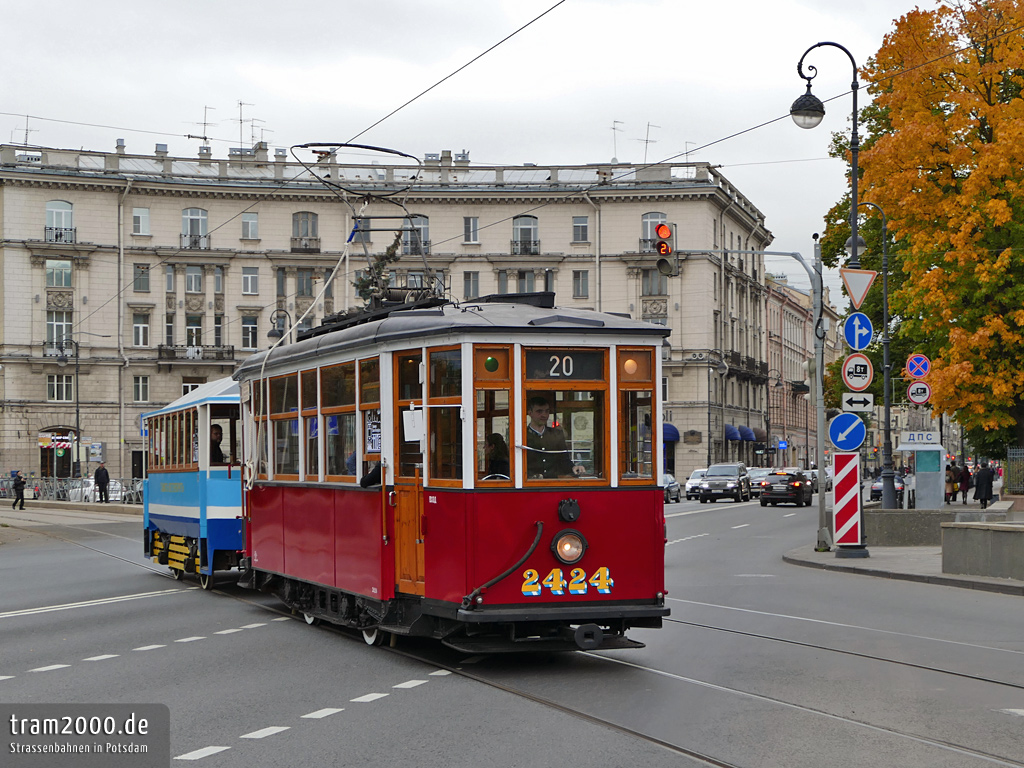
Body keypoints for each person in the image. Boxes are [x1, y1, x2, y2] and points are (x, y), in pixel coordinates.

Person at [525, 396, 582, 478]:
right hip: (529, 486)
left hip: (552, 484)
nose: (544, 415)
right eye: (539, 411)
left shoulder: (557, 434)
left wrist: (574, 467)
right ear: (530, 413)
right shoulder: (522, 435)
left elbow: (564, 460)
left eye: (547, 411)